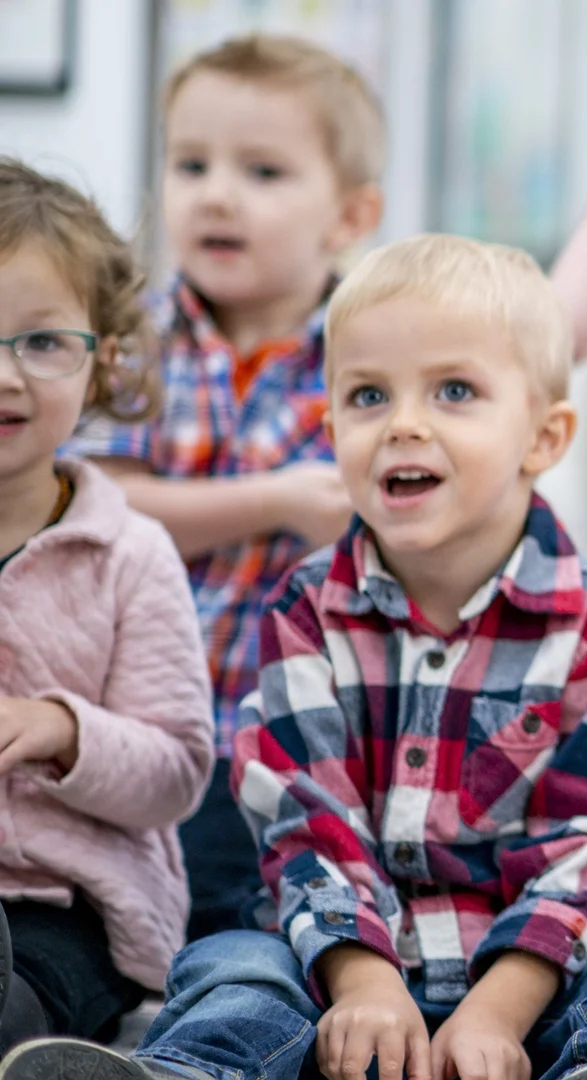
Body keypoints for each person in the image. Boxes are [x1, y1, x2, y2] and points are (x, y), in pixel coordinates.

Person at [1, 236, 587, 1080]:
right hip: (343, 975)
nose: (405, 423)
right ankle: (186, 1074)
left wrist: (500, 1006)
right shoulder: (305, 611)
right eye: (367, 395)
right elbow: (305, 822)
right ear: (331, 431)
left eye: (454, 391)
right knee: (230, 962)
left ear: (545, 437)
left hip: (549, 978)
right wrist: (365, 985)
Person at [62, 33, 587, 941]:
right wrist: (277, 499)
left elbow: (553, 330)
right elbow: (105, 500)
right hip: (156, 721)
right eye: (191, 164)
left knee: (273, 914)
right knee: (143, 913)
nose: (216, 192)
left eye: (262, 171)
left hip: (329, 738)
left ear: (349, 216)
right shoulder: (138, 339)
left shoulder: (379, 340)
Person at [0, 160, 212, 1055]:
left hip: (70, 905)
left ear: (105, 359)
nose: (8, 376)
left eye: (42, 341)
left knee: (30, 991)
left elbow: (178, 768)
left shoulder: (131, 552)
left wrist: (63, 729)